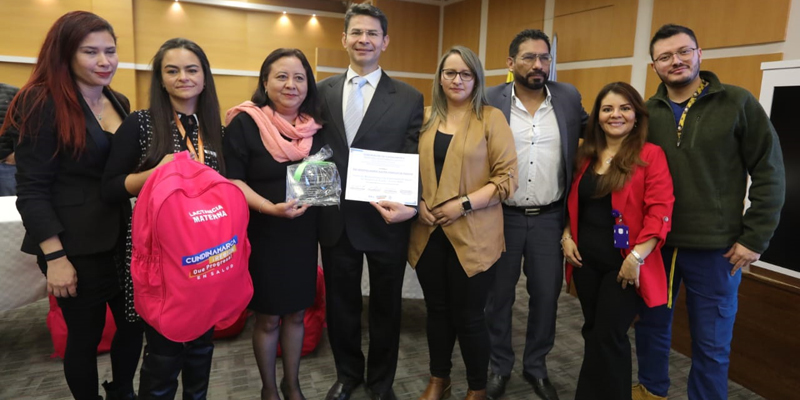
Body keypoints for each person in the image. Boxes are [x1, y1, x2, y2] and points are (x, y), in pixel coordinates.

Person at [632, 24, 785, 400]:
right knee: (650, 329)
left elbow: (770, 169)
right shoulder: (645, 113)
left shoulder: (737, 102)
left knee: (711, 343)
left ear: (701, 54)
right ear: (655, 67)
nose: (676, 61)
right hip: (657, 246)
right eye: (665, 56)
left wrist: (755, 238)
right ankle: (651, 392)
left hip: (717, 248)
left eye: (684, 51)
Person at [0, 11, 143, 400]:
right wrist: (56, 257)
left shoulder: (119, 99)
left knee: (133, 326)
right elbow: (31, 190)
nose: (104, 61)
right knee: (84, 336)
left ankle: (122, 391)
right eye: (90, 52)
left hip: (123, 237)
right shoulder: (40, 101)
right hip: (74, 246)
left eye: (110, 51)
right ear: (65, 54)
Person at [103, 38, 226, 400]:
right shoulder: (140, 124)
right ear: (160, 79)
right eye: (172, 71)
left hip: (203, 257)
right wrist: (156, 173)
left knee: (202, 347)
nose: (182, 77)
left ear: (205, 77)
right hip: (157, 257)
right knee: (164, 352)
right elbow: (109, 188)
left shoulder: (214, 128)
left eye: (192, 70)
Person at [316, 4, 424, 400]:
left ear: (385, 41)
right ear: (343, 39)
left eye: (372, 33)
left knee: (385, 307)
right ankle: (347, 375)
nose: (364, 40)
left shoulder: (409, 97)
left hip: (386, 219)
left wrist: (411, 204)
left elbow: (414, 156)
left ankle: (381, 383)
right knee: (341, 305)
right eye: (356, 32)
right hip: (336, 219)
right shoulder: (321, 90)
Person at [409, 46, 518, 400]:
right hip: (428, 232)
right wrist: (418, 202)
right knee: (437, 311)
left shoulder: (491, 118)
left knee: (470, 317)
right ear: (439, 78)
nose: (457, 80)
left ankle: (477, 387)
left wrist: (464, 204)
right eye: (449, 73)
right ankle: (439, 378)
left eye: (465, 74)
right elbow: (407, 169)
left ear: (476, 79)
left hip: (474, 234)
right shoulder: (424, 118)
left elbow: (507, 179)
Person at [484, 29, 587, 400]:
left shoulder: (568, 97)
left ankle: (537, 366)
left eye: (544, 57)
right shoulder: (490, 98)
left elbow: (595, 134)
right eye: (529, 57)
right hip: (501, 216)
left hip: (548, 218)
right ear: (511, 63)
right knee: (499, 297)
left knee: (546, 296)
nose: (538, 65)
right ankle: (498, 365)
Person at [561, 82, 673, 400]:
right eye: (607, 109)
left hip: (625, 266)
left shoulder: (650, 155)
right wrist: (566, 236)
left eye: (625, 108)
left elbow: (660, 211)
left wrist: (636, 257)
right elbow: (574, 204)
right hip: (585, 263)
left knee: (608, 335)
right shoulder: (586, 156)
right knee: (593, 331)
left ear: (637, 116)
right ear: (597, 117)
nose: (616, 115)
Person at [222, 48, 323, 400]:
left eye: (299, 77)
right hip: (263, 233)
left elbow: (325, 177)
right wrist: (270, 208)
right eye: (281, 76)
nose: (291, 85)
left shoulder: (314, 128)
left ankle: (291, 384)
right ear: (265, 82)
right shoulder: (244, 123)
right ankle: (269, 389)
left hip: (301, 236)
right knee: (267, 317)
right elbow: (232, 181)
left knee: (297, 313)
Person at [0, 83, 20, 196]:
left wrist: (15, 154)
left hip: (6, 166)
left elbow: (28, 127)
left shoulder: (13, 93)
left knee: (8, 210)